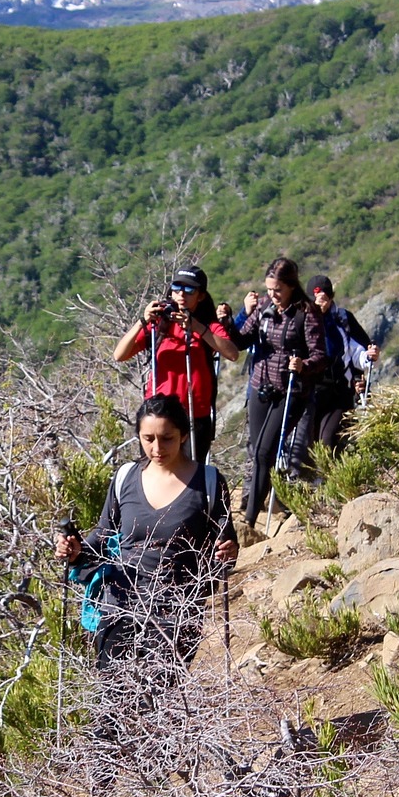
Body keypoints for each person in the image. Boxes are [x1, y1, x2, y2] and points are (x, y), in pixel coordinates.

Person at [55, 394, 238, 665]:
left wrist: (228, 554)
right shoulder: (125, 477)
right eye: (148, 439)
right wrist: (75, 551)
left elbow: (225, 548)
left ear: (184, 436)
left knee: (161, 700)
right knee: (114, 699)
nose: (157, 448)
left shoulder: (209, 482)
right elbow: (104, 536)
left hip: (177, 612)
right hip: (119, 605)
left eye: (167, 438)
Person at [227, 257, 328, 533]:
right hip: (262, 386)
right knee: (258, 451)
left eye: (278, 290)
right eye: (269, 289)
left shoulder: (307, 313)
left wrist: (303, 365)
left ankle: (250, 519)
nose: (272, 294)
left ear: (292, 286)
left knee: (264, 451)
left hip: (291, 391)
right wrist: (229, 320)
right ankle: (255, 513)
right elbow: (241, 340)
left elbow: (320, 356)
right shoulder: (263, 307)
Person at [111, 265, 240, 466]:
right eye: (177, 287)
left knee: (190, 476)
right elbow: (119, 355)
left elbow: (232, 353)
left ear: (201, 296)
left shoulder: (208, 325)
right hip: (158, 414)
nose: (182, 294)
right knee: (153, 471)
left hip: (194, 415)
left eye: (190, 290)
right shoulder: (160, 324)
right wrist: (142, 322)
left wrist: (195, 327)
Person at [305, 275, 379, 465]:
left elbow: (358, 350)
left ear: (331, 297)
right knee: (307, 444)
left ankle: (329, 485)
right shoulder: (302, 322)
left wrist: (368, 358)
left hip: (339, 391)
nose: (321, 303)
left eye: (324, 298)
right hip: (310, 392)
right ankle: (309, 487)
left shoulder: (342, 319)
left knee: (328, 440)